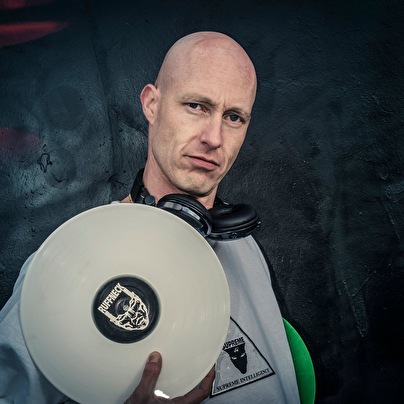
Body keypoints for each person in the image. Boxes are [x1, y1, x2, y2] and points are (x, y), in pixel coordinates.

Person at [0, 32, 300, 403]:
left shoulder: (245, 247)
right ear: (152, 105)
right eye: (196, 106)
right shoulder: (64, 264)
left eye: (234, 117)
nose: (214, 138)